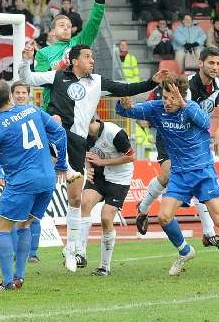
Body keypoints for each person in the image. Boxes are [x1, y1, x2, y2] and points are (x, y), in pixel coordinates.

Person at [20, 44, 165, 271]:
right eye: (87, 57)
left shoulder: (96, 82)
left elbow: (126, 88)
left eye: (92, 57)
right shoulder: (57, 76)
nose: (92, 61)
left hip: (77, 143)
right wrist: (25, 60)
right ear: (74, 60)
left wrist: (152, 82)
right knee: (45, 167)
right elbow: (27, 78)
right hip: (56, 135)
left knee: (75, 199)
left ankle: (72, 248)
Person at [116, 76, 219, 279]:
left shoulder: (192, 108)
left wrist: (184, 103)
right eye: (166, 97)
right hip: (179, 174)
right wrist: (123, 103)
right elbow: (126, 111)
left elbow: (205, 122)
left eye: (173, 97)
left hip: (203, 172)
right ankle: (185, 251)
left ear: (182, 96)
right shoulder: (156, 108)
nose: (168, 101)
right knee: (163, 216)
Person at [134, 47, 219, 251]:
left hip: (194, 143)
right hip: (171, 136)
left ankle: (209, 234)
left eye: (218, 63)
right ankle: (143, 208)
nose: (215, 67)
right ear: (201, 63)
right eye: (211, 63)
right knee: (168, 174)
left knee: (198, 181)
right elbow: (162, 102)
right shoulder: (185, 84)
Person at [0, 81, 67, 290]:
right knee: (24, 225)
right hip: (47, 179)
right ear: (10, 97)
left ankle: (7, 282)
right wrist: (61, 165)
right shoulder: (33, 110)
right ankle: (19, 277)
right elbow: (60, 133)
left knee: (2, 227)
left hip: (23, 181)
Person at [81, 117, 134, 277]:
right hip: (99, 176)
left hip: (120, 179)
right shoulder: (83, 134)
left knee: (106, 218)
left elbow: (131, 156)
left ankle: (105, 266)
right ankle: (80, 253)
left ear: (93, 120)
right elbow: (87, 154)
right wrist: (89, 168)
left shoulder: (114, 132)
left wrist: (102, 162)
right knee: (85, 203)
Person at [9, 81, 42, 263]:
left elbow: (52, 136)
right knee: (13, 216)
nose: (21, 96)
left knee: (33, 216)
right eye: (18, 93)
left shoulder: (37, 114)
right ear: (12, 95)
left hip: (36, 172)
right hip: (16, 174)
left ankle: (33, 253)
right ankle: (18, 252)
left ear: (28, 95)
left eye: (23, 93)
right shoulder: (7, 117)